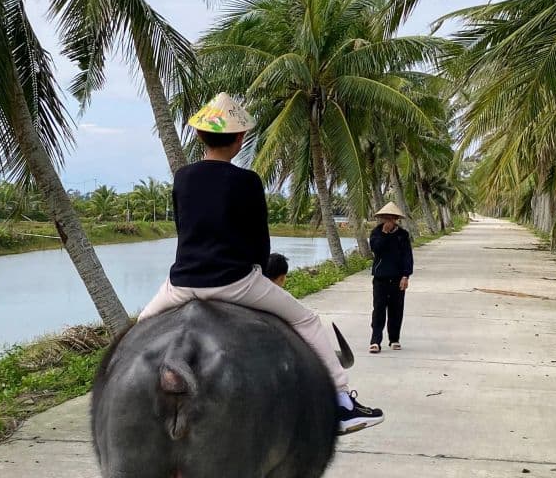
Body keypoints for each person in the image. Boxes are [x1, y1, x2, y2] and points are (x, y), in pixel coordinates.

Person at [139, 93, 383, 434]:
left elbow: (185, 231)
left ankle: (136, 401)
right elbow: (259, 244)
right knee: (308, 320)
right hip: (235, 282)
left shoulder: (183, 178)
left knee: (140, 327)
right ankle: (342, 404)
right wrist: (254, 269)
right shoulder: (247, 182)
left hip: (182, 284)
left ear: (198, 136)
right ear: (240, 140)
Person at [369, 201, 413, 352]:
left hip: (397, 278)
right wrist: (385, 234)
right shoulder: (376, 233)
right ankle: (375, 341)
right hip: (380, 277)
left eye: (391, 218)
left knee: (396, 309)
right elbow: (376, 249)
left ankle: (394, 339)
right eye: (385, 218)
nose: (388, 221)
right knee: (378, 309)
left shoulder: (403, 235)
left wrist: (406, 276)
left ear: (396, 219)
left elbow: (407, 256)